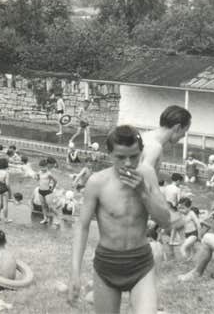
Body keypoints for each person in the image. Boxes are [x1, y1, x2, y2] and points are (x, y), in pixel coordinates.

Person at [69, 125, 171, 314]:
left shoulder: (148, 175)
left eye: (133, 156)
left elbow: (166, 222)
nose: (127, 163)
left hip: (141, 263)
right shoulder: (97, 182)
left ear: (141, 152)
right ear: (110, 155)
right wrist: (75, 272)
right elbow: (81, 227)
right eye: (120, 157)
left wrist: (144, 192)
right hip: (107, 264)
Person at [140, 105, 192, 175]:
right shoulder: (155, 147)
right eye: (185, 131)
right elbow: (143, 180)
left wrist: (167, 177)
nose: (184, 135)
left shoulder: (146, 136)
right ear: (177, 127)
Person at [36, 159, 57, 225]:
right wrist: (36, 177)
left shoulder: (49, 174)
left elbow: (55, 181)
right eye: (41, 167)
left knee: (51, 207)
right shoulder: (39, 172)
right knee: (43, 206)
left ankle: (57, 218)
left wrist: (52, 188)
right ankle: (45, 218)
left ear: (47, 166)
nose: (42, 169)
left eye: (44, 167)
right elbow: (38, 180)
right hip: (40, 191)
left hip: (47, 191)